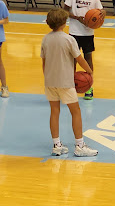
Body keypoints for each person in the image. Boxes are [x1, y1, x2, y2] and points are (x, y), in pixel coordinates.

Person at [41, 8, 98, 157]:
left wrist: (48, 78)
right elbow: (80, 59)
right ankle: (80, 146)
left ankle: (57, 145)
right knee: (76, 111)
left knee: (54, 111)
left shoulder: (45, 39)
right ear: (64, 22)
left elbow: (44, 63)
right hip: (65, 82)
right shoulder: (69, 39)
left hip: (50, 81)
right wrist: (90, 72)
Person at [63, 0, 106, 100]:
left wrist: (103, 12)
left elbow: (102, 11)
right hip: (74, 33)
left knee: (88, 59)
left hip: (88, 33)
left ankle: (89, 86)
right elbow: (65, 10)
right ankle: (70, 87)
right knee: (73, 60)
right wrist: (77, 18)